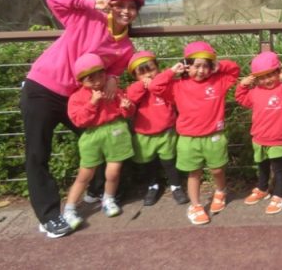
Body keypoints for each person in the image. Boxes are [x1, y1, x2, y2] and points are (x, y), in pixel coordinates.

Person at [20, 0, 143, 238]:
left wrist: (113, 78)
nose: (125, 11)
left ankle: (97, 190)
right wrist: (89, 2)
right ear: (111, 6)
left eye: (132, 7)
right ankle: (48, 216)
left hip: (77, 99)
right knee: (37, 153)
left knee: (98, 136)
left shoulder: (126, 47)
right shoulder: (88, 17)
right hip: (42, 88)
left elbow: (115, 70)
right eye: (120, 5)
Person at [148, 41, 240, 225]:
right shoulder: (177, 86)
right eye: (196, 66)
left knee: (217, 169)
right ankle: (195, 205)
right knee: (194, 173)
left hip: (214, 136)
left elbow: (234, 70)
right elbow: (154, 87)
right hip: (188, 139)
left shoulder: (218, 82)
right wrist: (171, 72)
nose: (201, 70)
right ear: (186, 65)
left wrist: (219, 65)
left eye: (206, 66)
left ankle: (220, 191)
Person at [62, 54, 135, 230]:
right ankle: (69, 209)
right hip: (92, 135)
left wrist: (127, 107)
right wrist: (92, 103)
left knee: (114, 171)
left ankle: (108, 199)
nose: (97, 81)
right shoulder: (77, 97)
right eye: (90, 79)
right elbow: (79, 121)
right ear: (81, 80)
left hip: (116, 131)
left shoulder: (113, 90)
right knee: (85, 174)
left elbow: (127, 112)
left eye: (100, 75)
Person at [235, 51, 282, 215]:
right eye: (262, 77)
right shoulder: (255, 92)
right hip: (258, 138)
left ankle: (279, 196)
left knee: (279, 169)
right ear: (256, 79)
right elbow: (240, 98)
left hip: (277, 139)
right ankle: (262, 189)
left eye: (271, 75)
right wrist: (243, 85)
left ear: (278, 72)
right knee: (262, 166)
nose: (267, 80)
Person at [125, 50, 188, 206]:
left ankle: (176, 186)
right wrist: (143, 85)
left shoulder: (166, 85)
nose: (148, 75)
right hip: (144, 134)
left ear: (158, 68)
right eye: (142, 73)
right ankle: (153, 186)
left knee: (169, 162)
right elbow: (131, 96)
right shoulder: (136, 88)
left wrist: (162, 78)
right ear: (135, 76)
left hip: (166, 131)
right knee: (148, 163)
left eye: (152, 70)